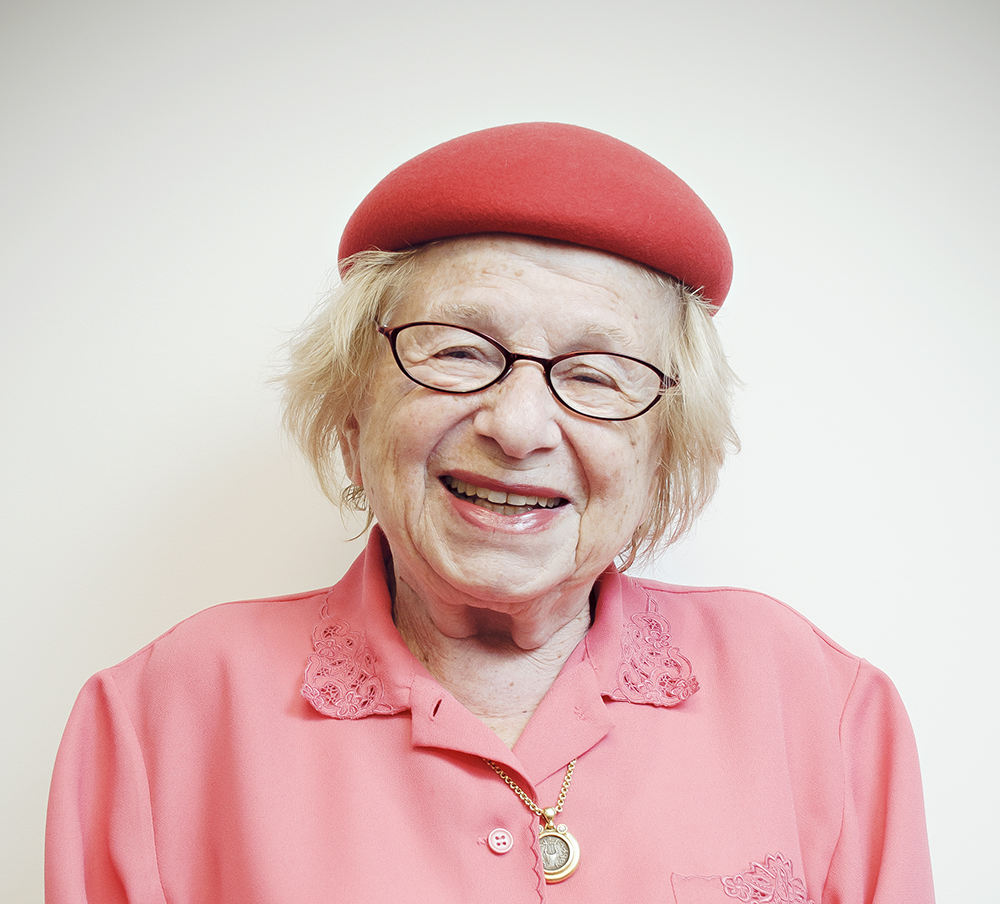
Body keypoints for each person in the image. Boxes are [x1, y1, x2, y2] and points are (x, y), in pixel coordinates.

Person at [45, 122, 935, 903]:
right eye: (460, 353)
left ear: (664, 451)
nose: (515, 426)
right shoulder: (158, 717)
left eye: (595, 374)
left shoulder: (819, 705)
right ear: (354, 415)